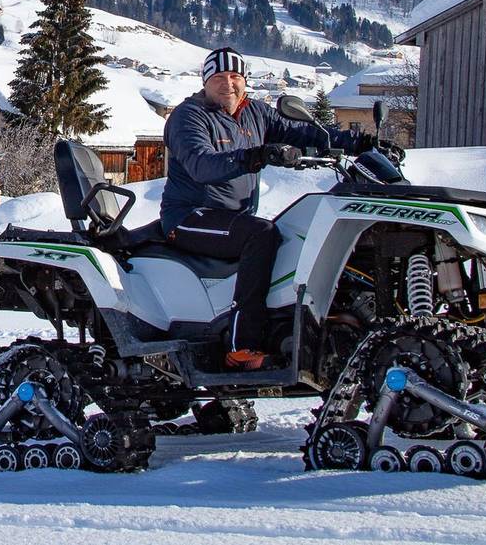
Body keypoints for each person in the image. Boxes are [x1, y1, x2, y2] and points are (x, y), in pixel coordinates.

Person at [159, 47, 383, 371]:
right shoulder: (189, 115)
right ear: (205, 82)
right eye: (219, 77)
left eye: (235, 76)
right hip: (189, 215)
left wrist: (361, 143)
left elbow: (306, 132)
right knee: (260, 235)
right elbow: (201, 165)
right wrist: (257, 155)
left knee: (296, 232)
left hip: (234, 216)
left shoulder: (256, 113)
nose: (228, 84)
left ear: (245, 81)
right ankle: (242, 346)